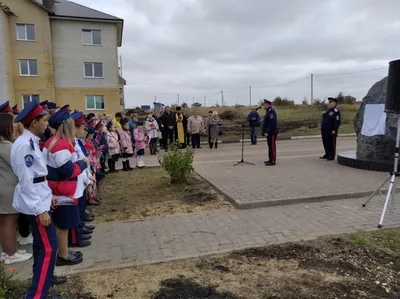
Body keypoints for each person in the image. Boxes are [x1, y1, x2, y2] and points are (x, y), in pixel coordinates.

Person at [11, 100, 61, 299]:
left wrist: (49, 198)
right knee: (49, 249)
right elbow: (26, 181)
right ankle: (37, 295)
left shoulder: (30, 142)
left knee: (42, 248)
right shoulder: (24, 145)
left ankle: (40, 291)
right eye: (44, 120)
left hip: (40, 199)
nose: (46, 124)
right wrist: (40, 209)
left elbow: (39, 177)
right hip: (35, 204)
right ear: (33, 122)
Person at [43, 108, 89, 267]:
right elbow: (68, 171)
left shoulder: (53, 142)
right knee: (63, 225)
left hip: (60, 190)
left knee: (63, 225)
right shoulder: (61, 145)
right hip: (63, 192)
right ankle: (63, 255)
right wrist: (82, 164)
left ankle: (64, 251)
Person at [0, 113, 33, 264]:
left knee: (6, 222)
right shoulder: (6, 146)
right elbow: (18, 164)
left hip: (4, 187)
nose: (14, 127)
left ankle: (8, 250)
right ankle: (10, 254)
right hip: (8, 188)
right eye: (11, 124)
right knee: (10, 222)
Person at [68, 111, 94, 248]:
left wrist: (88, 176)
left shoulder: (76, 142)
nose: (84, 131)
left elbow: (84, 160)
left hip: (81, 180)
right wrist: (86, 178)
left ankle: (80, 229)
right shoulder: (70, 144)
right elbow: (77, 163)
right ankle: (75, 238)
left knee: (80, 207)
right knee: (75, 211)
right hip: (76, 182)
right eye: (82, 128)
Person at [320, 97, 341, 161]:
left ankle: (331, 155)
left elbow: (337, 121)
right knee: (325, 142)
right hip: (325, 129)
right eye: (329, 102)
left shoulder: (336, 111)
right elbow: (326, 119)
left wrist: (334, 129)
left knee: (331, 143)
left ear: (334, 103)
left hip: (331, 130)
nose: (329, 103)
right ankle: (327, 154)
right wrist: (323, 114)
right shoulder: (328, 110)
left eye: (331, 102)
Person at [262, 99, 278, 166]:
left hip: (272, 132)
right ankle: (270, 159)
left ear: (268, 104)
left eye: (264, 104)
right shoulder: (268, 111)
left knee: (272, 146)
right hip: (269, 132)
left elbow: (271, 123)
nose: (263, 105)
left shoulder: (271, 112)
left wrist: (267, 131)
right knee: (270, 146)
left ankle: (273, 161)